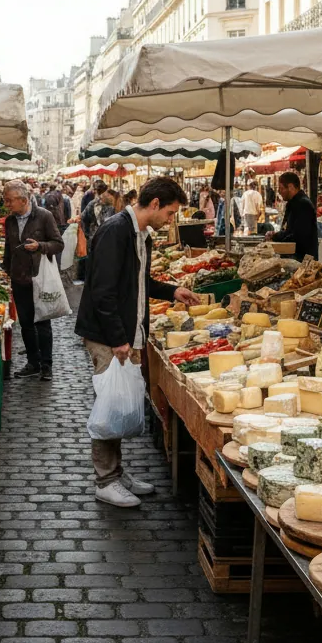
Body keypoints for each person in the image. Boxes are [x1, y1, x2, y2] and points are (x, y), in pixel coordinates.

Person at [74, 177, 200, 508]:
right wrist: (118, 339)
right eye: (171, 213)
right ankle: (105, 480)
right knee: (109, 404)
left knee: (116, 402)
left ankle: (117, 473)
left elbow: (139, 282)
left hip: (125, 333)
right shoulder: (117, 231)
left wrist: (172, 291)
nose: (171, 220)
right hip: (106, 336)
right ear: (155, 204)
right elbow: (102, 291)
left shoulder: (139, 235)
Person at [1, 180, 64, 381]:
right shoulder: (10, 221)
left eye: (9, 201)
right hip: (19, 279)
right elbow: (8, 248)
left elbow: (58, 244)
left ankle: (47, 365)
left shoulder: (44, 216)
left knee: (43, 323)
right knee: (26, 324)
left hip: (39, 279)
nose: (7, 205)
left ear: (23, 199)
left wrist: (40, 246)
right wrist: (6, 269)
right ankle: (32, 363)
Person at [266, 172, 318, 261]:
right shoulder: (294, 203)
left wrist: (276, 237)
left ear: (290, 187)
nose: (279, 191)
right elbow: (289, 230)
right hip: (294, 257)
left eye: (281, 188)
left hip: (301, 260)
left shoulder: (303, 204)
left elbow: (298, 235)